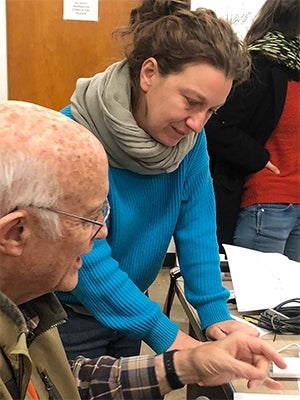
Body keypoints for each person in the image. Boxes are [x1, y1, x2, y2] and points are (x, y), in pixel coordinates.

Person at [0, 100, 287, 400]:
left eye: (104, 211)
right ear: (15, 233)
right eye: (89, 218)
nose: (103, 232)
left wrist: (186, 364)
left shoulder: (29, 311)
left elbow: (66, 380)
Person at [57, 0, 259, 361]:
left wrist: (213, 311)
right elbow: (85, 256)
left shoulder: (190, 143)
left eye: (211, 110)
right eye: (191, 102)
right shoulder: (73, 136)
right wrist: (165, 334)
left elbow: (196, 224)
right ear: (149, 74)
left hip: (131, 307)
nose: (197, 122)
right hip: (66, 318)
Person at [205, 0, 300, 259]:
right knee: (261, 298)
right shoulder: (260, 64)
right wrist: (260, 158)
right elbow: (216, 124)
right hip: (268, 203)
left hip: (295, 202)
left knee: (292, 299)